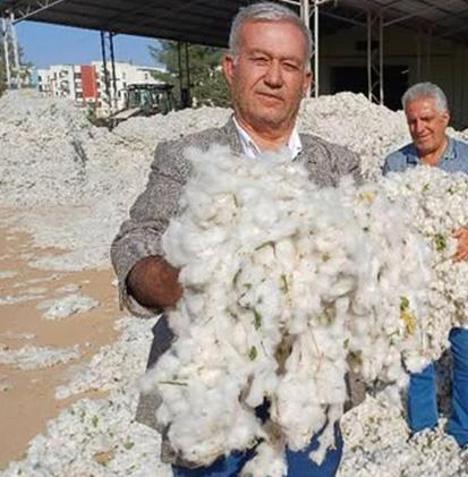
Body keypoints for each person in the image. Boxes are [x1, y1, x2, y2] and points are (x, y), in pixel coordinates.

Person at [110, 3, 361, 476]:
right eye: (260, 59)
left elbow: (369, 247)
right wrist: (177, 278)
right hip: (211, 400)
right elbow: (135, 241)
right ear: (231, 67)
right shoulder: (186, 157)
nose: (274, 77)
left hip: (307, 396)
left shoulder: (338, 165)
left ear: (306, 81)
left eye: (289, 65)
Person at [382, 82, 468, 448]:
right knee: (417, 360)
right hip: (415, 282)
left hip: (464, 282)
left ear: (445, 119)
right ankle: (424, 428)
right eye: (412, 121)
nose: (419, 128)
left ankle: (466, 431)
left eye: (427, 119)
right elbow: (383, 222)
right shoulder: (396, 164)